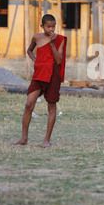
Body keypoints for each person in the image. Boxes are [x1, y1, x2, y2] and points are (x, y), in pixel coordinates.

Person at [12, 14, 67, 148]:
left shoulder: (60, 39)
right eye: (48, 26)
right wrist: (36, 60)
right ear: (42, 26)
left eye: (53, 26)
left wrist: (52, 43)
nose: (51, 29)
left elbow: (59, 60)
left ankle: (46, 139)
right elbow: (29, 50)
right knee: (29, 104)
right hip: (38, 75)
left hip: (53, 75)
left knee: (51, 106)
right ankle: (24, 138)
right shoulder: (37, 37)